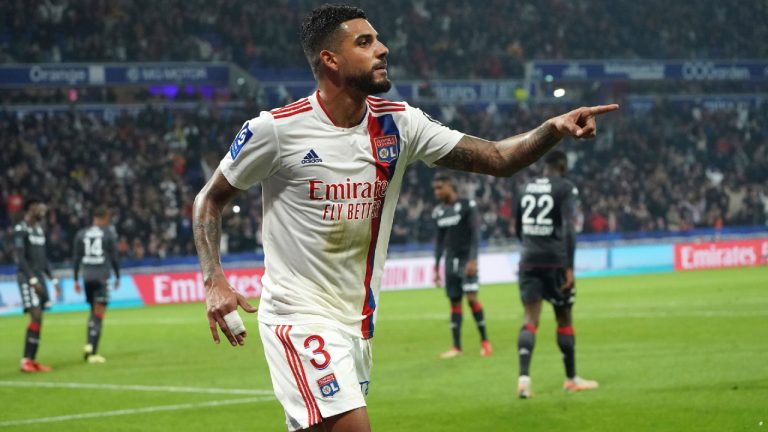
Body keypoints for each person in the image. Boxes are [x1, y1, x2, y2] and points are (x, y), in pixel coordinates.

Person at [192, 4, 617, 431]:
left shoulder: (400, 124)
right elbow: (209, 199)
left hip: (356, 323)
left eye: (377, 39)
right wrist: (214, 280)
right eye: (365, 42)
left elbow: (497, 158)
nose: (383, 49)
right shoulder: (276, 130)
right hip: (298, 317)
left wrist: (553, 129)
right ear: (330, 60)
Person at [514, 150, 598, 398]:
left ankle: (523, 379)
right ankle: (571, 379)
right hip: (555, 263)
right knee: (564, 318)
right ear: (562, 165)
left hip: (528, 260)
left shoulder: (525, 186)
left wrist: (531, 247)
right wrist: (569, 266)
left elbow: (518, 228)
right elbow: (570, 229)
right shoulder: (565, 188)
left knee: (530, 319)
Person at [431, 172, 491, 359]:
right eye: (435, 189)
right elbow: (440, 242)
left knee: (472, 299)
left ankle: (485, 342)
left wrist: (473, 260)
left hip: (467, 260)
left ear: (450, 185)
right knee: (454, 301)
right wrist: (437, 265)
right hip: (450, 261)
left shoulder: (467, 206)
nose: (437, 192)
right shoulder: (439, 212)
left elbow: (475, 235)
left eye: (440, 188)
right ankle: (456, 347)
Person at [14, 197, 60, 373]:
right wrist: (32, 280)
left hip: (40, 277)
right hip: (27, 278)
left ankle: (31, 360)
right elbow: (21, 257)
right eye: (40, 209)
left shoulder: (39, 230)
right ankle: (26, 360)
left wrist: (53, 279)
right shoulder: (21, 229)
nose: (43, 212)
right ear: (30, 209)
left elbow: (43, 258)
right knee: (36, 315)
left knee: (39, 318)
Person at [73, 206, 121, 363]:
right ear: (104, 217)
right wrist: (118, 275)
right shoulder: (108, 233)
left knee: (93, 310)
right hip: (101, 276)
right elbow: (114, 256)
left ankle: (89, 345)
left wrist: (75, 279)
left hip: (86, 277)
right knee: (99, 313)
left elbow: (76, 257)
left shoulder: (81, 233)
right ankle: (92, 351)